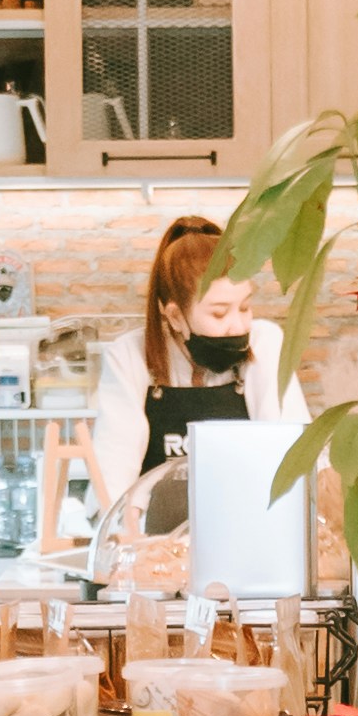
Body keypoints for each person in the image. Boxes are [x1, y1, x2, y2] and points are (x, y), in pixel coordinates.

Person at [84, 212, 286, 514]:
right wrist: (123, 535)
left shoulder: (264, 342)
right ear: (176, 316)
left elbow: (287, 446)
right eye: (219, 314)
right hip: (155, 534)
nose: (238, 326)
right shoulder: (129, 356)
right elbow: (115, 462)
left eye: (245, 307)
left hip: (247, 521)